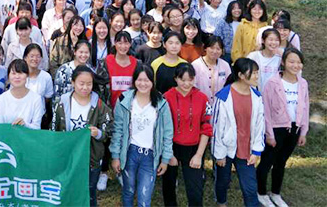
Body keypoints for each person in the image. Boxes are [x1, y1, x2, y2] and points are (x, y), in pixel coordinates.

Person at [110, 64, 173, 207]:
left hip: (150, 156)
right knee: (128, 191)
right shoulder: (124, 100)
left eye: (147, 80)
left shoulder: (161, 103)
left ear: (152, 81)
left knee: (144, 198)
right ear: (134, 81)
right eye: (139, 80)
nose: (143, 84)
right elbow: (117, 130)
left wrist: (165, 159)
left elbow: (168, 133)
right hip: (130, 152)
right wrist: (115, 156)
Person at [51, 66, 113, 207]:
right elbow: (54, 129)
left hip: (91, 158)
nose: (85, 87)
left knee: (89, 193)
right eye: (81, 83)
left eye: (89, 84)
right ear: (73, 83)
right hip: (68, 157)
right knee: (68, 191)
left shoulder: (98, 104)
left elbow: (108, 128)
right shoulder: (62, 102)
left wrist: (98, 133)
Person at [257, 48, 309, 207]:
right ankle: (261, 193)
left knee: (281, 162)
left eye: (299, 62)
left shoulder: (303, 83)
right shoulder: (272, 83)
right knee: (267, 161)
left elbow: (305, 107)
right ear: (284, 63)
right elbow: (266, 110)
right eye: (291, 61)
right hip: (276, 129)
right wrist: (269, 134)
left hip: (294, 128)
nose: (295, 65)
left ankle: (276, 193)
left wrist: (303, 131)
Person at [212, 58, 265, 207]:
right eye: (253, 73)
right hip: (226, 148)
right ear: (241, 75)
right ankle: (221, 203)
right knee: (223, 182)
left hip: (246, 148)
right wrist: (219, 154)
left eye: (257, 72)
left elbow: (260, 125)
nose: (256, 76)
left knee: (250, 188)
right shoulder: (223, 96)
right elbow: (217, 129)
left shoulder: (257, 97)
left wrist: (256, 151)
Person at [163, 63, 212, 207]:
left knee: (195, 190)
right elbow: (162, 128)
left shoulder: (202, 98)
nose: (186, 84)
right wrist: (168, 153)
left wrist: (199, 155)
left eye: (190, 80)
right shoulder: (167, 97)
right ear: (175, 79)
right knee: (169, 185)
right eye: (182, 80)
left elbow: (206, 128)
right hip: (171, 146)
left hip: (194, 148)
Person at [0, 59, 44, 129]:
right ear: (8, 76)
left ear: (27, 75)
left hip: (28, 135)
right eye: (13, 73)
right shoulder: (2, 98)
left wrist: (25, 124)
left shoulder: (36, 99)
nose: (17, 77)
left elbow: (37, 127)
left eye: (20, 73)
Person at [193, 36, 231, 103]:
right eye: (212, 48)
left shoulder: (225, 65)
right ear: (205, 48)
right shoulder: (195, 65)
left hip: (220, 104)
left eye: (218, 49)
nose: (215, 51)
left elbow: (229, 86)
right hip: (200, 103)